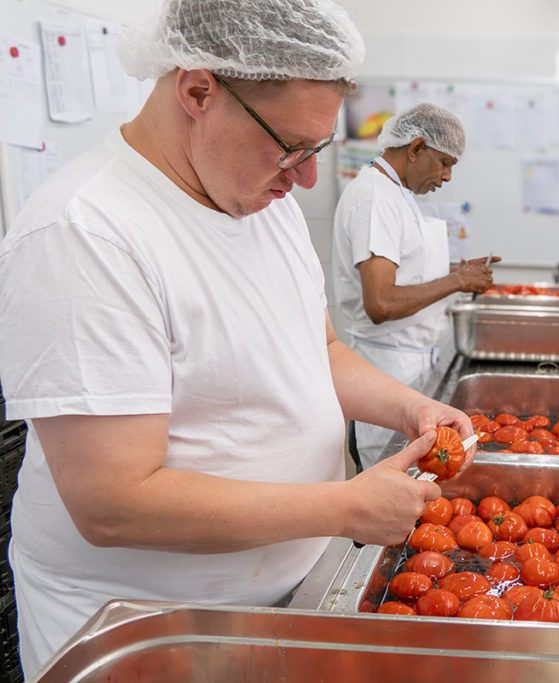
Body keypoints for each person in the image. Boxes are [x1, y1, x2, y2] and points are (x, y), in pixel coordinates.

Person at [0, 0, 475, 675]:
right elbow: (113, 503)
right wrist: (343, 504)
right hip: (145, 628)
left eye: (318, 150)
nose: (307, 177)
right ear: (199, 91)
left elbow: (321, 351)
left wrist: (410, 408)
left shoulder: (258, 199)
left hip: (282, 596)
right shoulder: (85, 233)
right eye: (293, 147)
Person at [333, 104, 498, 469]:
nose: (448, 176)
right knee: (388, 487)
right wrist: (456, 281)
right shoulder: (375, 197)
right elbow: (381, 303)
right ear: (416, 148)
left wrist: (456, 269)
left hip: (410, 365)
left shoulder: (396, 193)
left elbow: (404, 269)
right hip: (386, 368)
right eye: (444, 163)